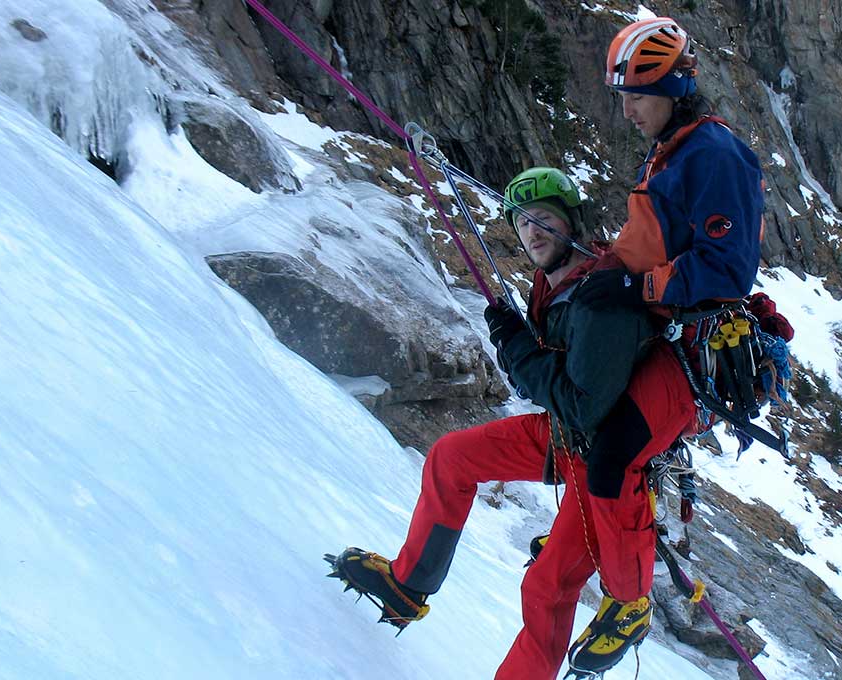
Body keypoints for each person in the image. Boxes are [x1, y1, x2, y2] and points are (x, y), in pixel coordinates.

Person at [327, 167, 697, 679]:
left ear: (573, 223)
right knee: (451, 458)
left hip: (599, 457)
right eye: (524, 225)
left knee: (547, 587)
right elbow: (550, 380)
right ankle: (408, 584)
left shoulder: (602, 294)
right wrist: (520, 346)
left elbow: (583, 403)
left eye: (544, 219)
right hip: (565, 439)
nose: (534, 232)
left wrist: (518, 349)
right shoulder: (551, 287)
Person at [578, 16, 766, 311]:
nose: (627, 112)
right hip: (649, 308)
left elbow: (729, 270)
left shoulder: (715, 158)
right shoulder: (671, 147)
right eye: (623, 98)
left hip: (676, 324)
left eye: (637, 97)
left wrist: (639, 287)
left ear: (672, 92)